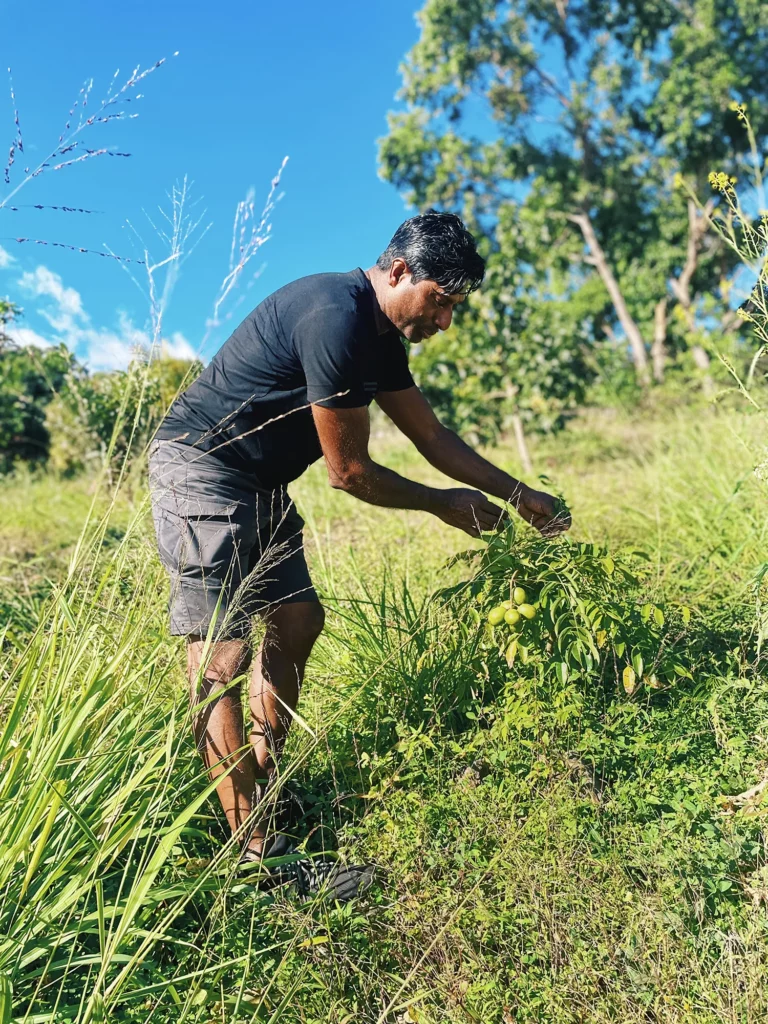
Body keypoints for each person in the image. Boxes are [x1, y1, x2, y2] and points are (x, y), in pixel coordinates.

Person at [148, 210, 570, 901]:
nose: (445, 322)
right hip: (201, 468)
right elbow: (350, 473)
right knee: (219, 659)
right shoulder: (334, 314)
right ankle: (257, 857)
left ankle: (266, 778)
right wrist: (443, 504)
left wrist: (522, 495)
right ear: (399, 271)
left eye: (455, 308)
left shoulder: (380, 341)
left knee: (298, 620)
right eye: (441, 301)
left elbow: (433, 436)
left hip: (261, 481)